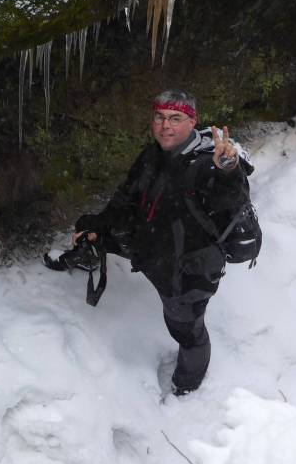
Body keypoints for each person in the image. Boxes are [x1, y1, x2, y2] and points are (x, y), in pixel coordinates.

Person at [73, 90, 252, 396]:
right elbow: (126, 198)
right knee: (88, 228)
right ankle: (87, 253)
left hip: (188, 271)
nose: (165, 126)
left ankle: (186, 383)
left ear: (192, 122)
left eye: (175, 119)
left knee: (185, 329)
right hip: (152, 246)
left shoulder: (208, 164)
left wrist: (228, 171)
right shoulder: (153, 154)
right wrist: (99, 227)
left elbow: (232, 199)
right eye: (159, 117)